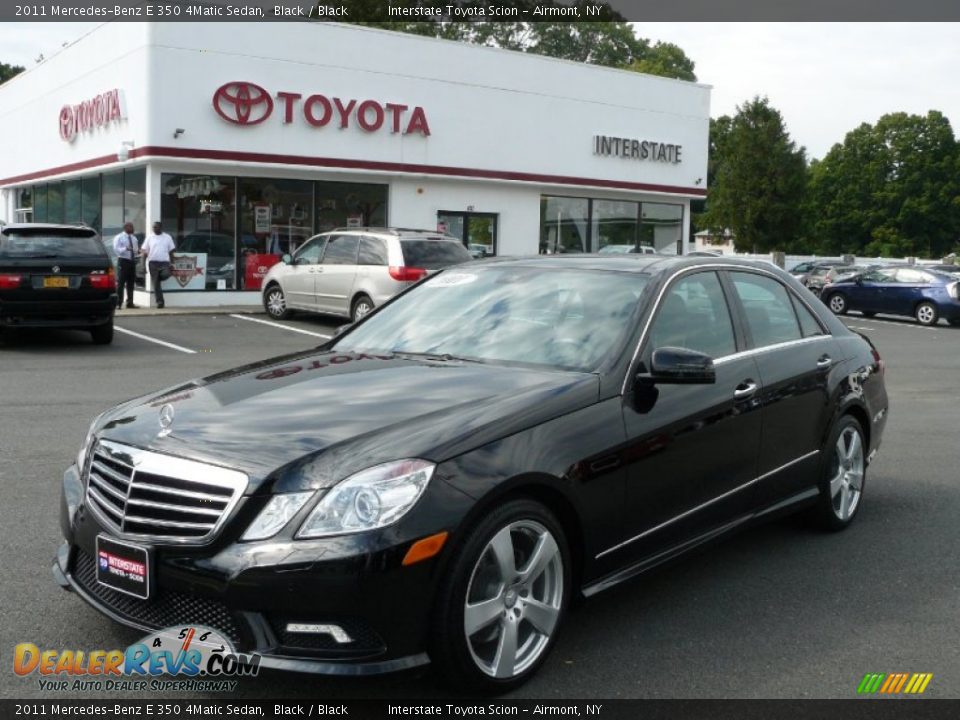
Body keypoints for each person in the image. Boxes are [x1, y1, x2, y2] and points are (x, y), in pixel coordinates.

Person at [140, 221, 176, 308]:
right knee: (156, 284)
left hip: (164, 262)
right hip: (153, 263)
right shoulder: (150, 237)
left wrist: (172, 263)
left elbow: (171, 251)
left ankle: (158, 277)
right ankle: (160, 302)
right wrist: (143, 265)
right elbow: (144, 252)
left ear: (161, 227)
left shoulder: (167, 237)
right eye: (153, 227)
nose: (154, 229)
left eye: (156, 227)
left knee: (166, 274)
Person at [111, 222, 139, 309]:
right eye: (131, 227)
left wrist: (138, 252)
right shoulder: (119, 237)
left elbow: (135, 250)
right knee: (121, 283)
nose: (133, 228)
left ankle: (130, 302)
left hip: (132, 261)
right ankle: (119, 303)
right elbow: (116, 249)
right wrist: (125, 248)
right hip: (123, 261)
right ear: (126, 227)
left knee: (131, 282)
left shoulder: (134, 238)